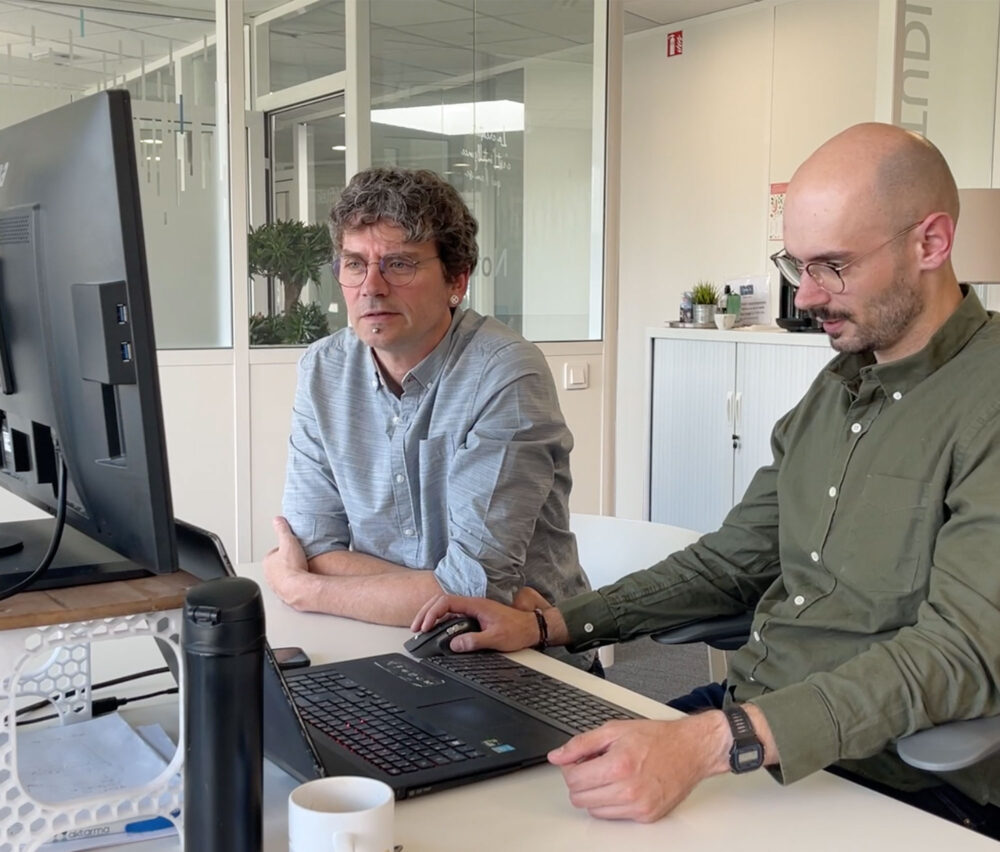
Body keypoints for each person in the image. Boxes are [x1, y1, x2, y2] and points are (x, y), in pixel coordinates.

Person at [413, 123, 1000, 835]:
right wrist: (550, 622)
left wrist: (715, 741)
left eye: (833, 267)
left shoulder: (985, 401)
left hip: (887, 778)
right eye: (797, 265)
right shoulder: (835, 391)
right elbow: (729, 563)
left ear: (930, 244)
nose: (807, 296)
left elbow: (959, 653)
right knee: (500, 808)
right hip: (745, 731)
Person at [263, 166, 591, 654]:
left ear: (456, 279)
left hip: (519, 657)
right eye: (355, 264)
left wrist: (304, 589)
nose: (371, 287)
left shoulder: (505, 375)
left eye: (399, 264)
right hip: (384, 638)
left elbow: (473, 590)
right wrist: (442, 587)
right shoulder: (323, 369)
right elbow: (312, 547)